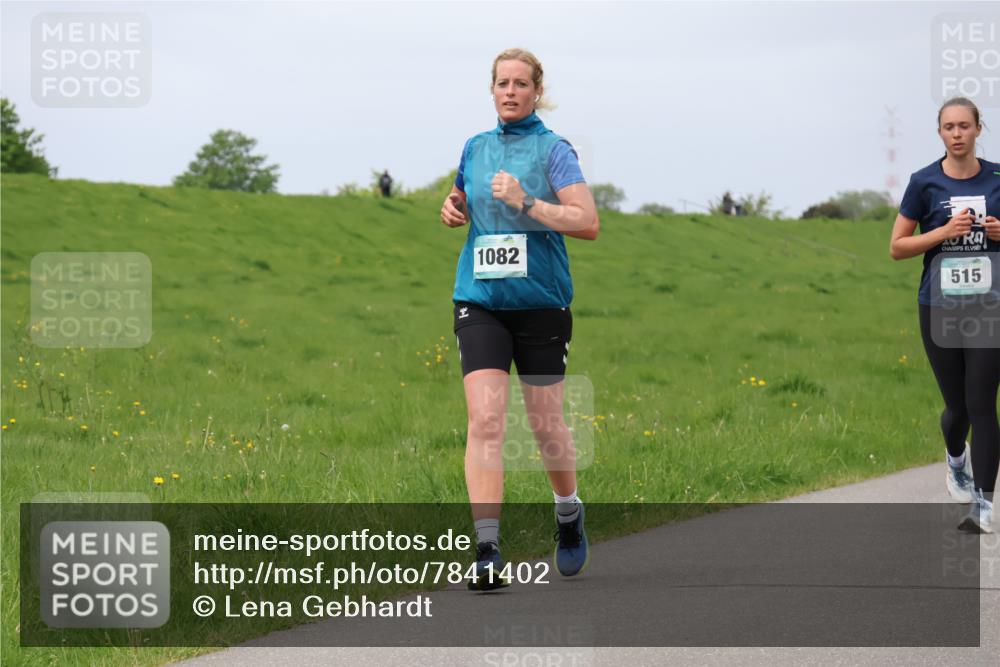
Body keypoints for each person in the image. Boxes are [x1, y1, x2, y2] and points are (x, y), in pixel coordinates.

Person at [439, 47, 599, 589]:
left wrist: (529, 202)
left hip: (541, 304)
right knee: (485, 420)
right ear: (492, 89)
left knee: (545, 425)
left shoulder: (555, 152)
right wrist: (452, 208)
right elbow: (462, 200)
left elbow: (586, 221)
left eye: (521, 84)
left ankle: (568, 511)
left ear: (537, 92)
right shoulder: (475, 147)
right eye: (502, 83)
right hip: (480, 300)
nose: (510, 91)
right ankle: (487, 551)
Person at [890, 96, 1000, 533]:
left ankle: (984, 506)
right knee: (958, 410)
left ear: (978, 129)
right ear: (940, 133)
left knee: (983, 404)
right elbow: (897, 247)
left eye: (964, 126)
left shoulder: (997, 178)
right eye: (949, 127)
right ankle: (957, 460)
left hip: (990, 305)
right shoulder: (924, 182)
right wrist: (942, 232)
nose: (957, 134)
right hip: (939, 307)